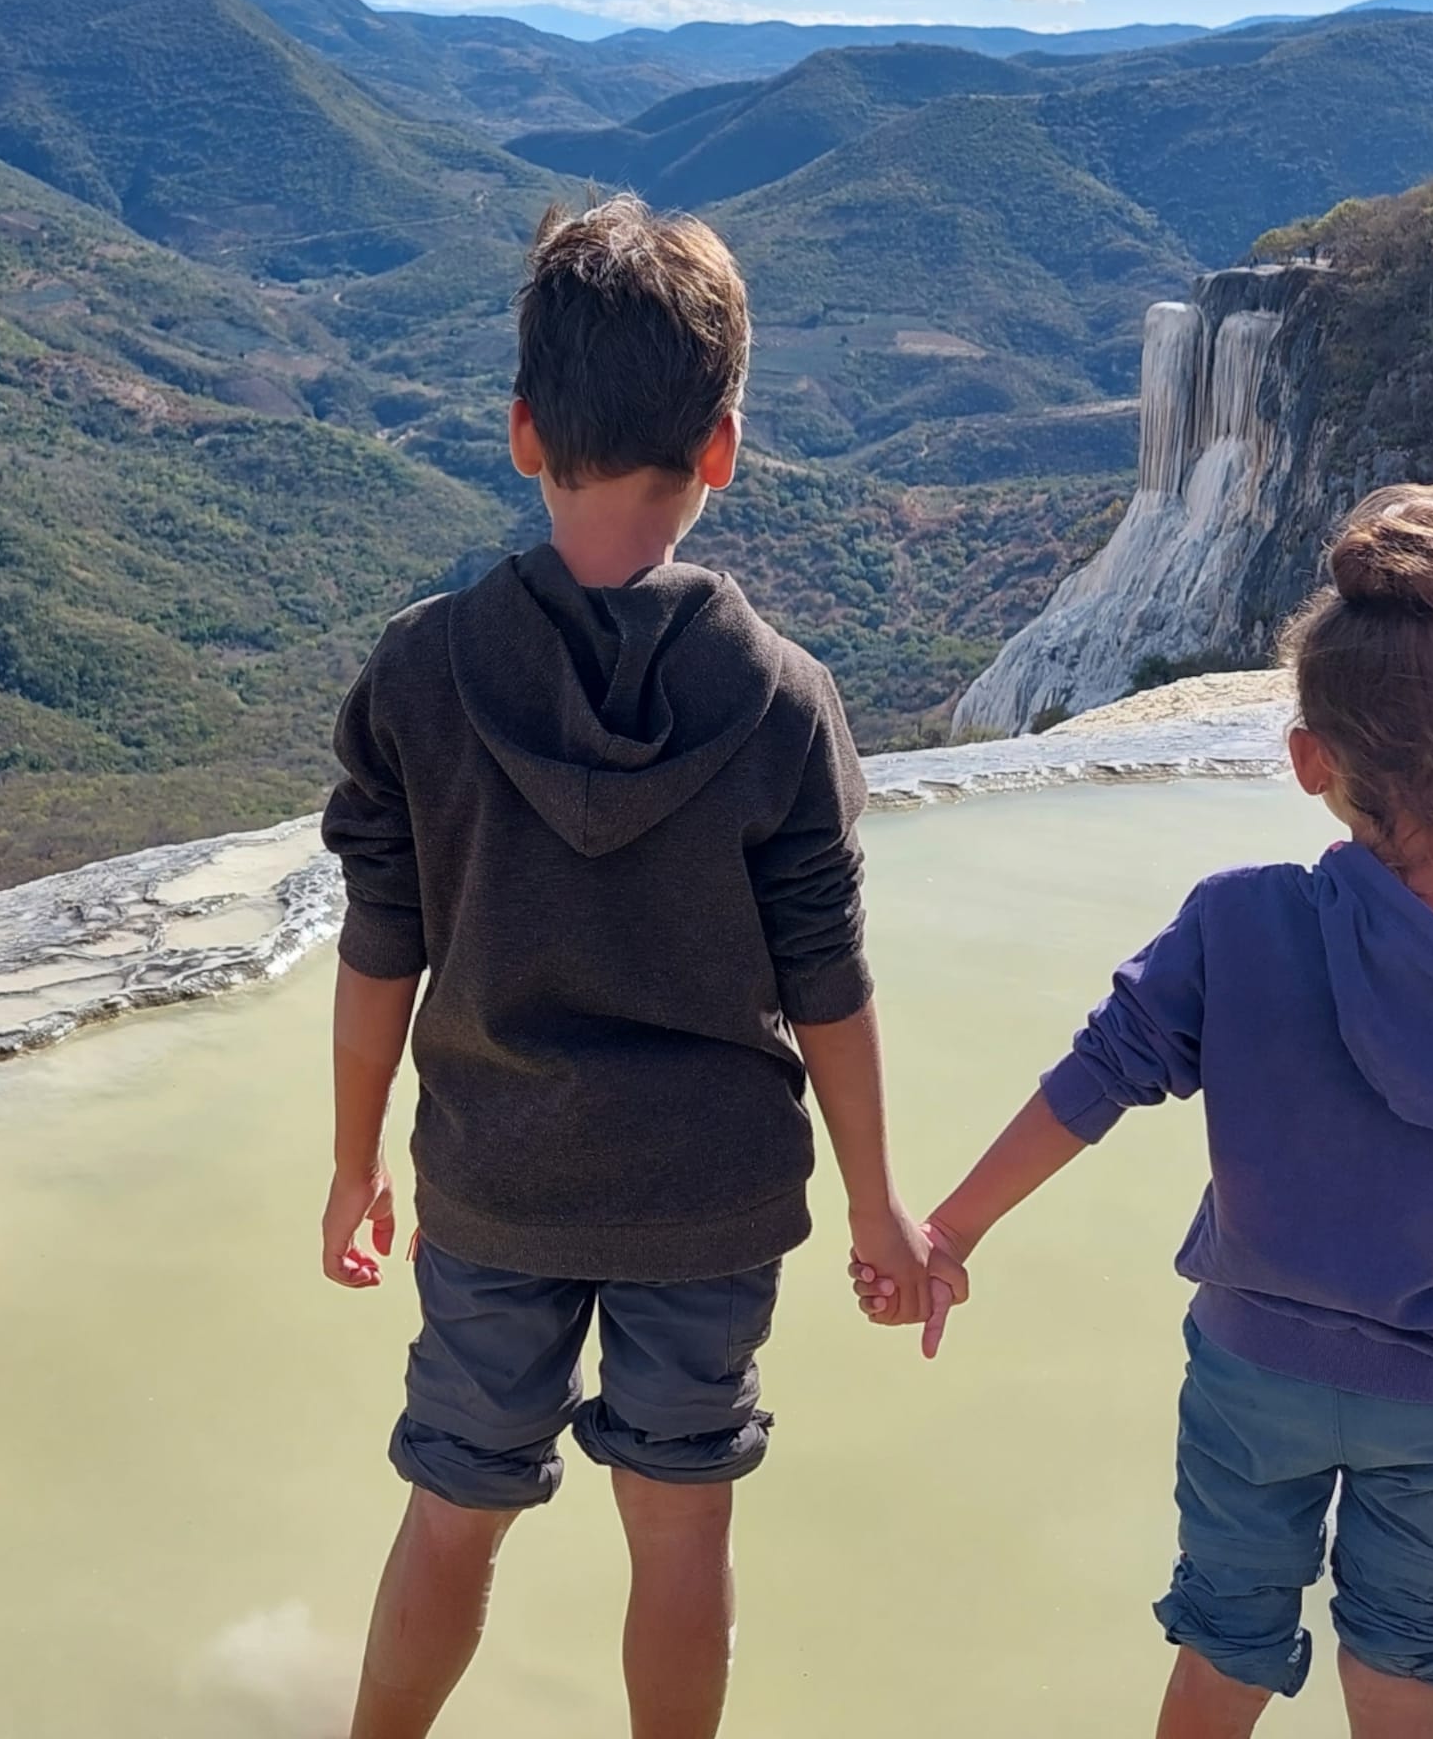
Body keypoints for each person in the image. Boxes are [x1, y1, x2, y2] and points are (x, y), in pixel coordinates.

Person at [320, 195, 932, 1739]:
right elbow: (829, 976)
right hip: (707, 1197)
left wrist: (352, 1160)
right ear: (722, 447)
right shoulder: (784, 699)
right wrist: (877, 1202)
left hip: (493, 1178)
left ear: (524, 431)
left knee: (454, 1509)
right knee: (681, 1528)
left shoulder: (420, 672)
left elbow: (381, 944)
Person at [856, 481, 1433, 1739]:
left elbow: (1094, 1076)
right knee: (1401, 1669)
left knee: (1221, 1645)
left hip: (1251, 1367)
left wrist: (947, 1230)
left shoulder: (1235, 920)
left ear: (1309, 759)